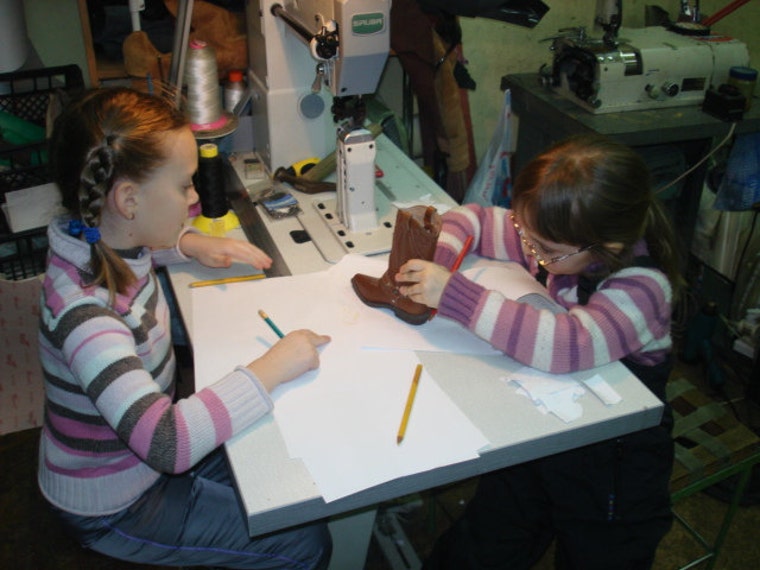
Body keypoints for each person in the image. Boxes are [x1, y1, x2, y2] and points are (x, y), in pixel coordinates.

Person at [38, 87, 332, 569]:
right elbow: (167, 444)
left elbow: (133, 251)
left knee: (283, 466)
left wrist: (188, 245)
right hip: (116, 502)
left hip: (137, 455)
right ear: (128, 200)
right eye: (183, 186)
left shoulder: (94, 236)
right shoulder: (85, 317)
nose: (194, 197)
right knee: (303, 542)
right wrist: (272, 367)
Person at [397, 134, 684, 569]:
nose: (529, 250)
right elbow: (472, 218)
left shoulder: (644, 288)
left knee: (599, 555)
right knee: (481, 543)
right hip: (549, 428)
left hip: (614, 459)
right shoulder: (559, 241)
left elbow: (568, 344)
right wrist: (443, 258)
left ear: (605, 247)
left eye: (542, 248)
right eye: (524, 234)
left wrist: (456, 295)